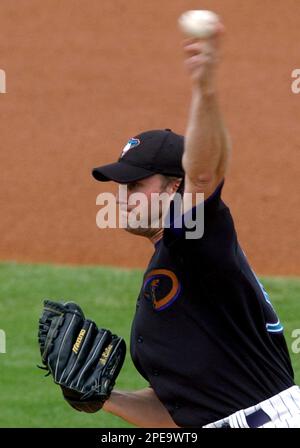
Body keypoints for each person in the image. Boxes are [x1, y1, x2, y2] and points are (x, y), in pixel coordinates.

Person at [91, 25, 300, 428]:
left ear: (174, 187)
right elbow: (180, 414)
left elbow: (204, 173)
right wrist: (101, 397)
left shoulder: (195, 238)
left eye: (136, 183)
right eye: (121, 184)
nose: (123, 195)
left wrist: (204, 90)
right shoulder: (168, 266)